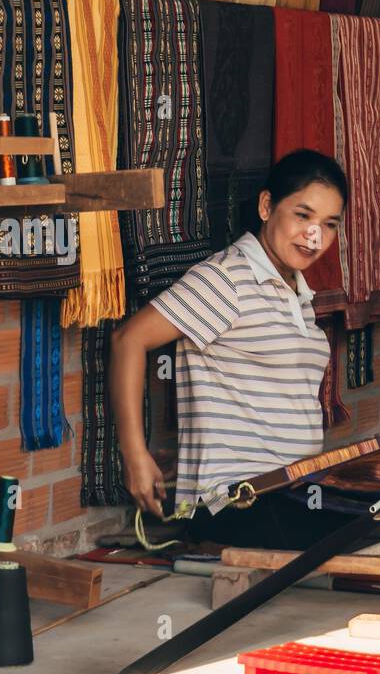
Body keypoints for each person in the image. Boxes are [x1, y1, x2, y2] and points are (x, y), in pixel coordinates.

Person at [109, 149, 347, 548]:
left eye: (329, 224)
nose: (314, 236)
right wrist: (135, 454)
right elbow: (128, 340)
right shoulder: (227, 278)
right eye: (302, 216)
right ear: (267, 205)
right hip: (233, 503)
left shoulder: (299, 292)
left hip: (290, 492)